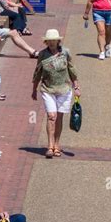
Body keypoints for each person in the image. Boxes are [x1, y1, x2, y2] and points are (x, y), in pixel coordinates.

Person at [32, 29, 80, 158]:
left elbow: (71, 69)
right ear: (46, 42)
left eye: (54, 40)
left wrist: (76, 86)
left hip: (64, 89)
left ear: (58, 41)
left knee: (59, 117)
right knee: (51, 116)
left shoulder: (65, 52)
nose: (52, 43)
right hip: (48, 89)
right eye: (49, 41)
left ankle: (57, 145)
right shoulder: (42, 55)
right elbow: (38, 72)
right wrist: (34, 89)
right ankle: (50, 146)